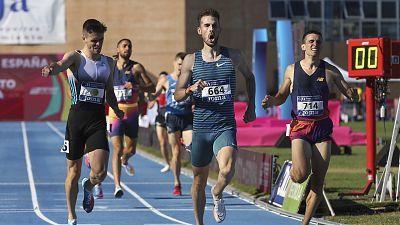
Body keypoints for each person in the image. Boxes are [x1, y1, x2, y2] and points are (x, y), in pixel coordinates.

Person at [262, 30, 358, 225]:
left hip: (322, 128)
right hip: (300, 127)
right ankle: (291, 172)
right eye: (311, 41)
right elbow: (281, 95)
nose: (315, 44)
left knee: (318, 181)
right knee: (301, 175)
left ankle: (305, 223)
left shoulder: (330, 71)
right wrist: (272, 101)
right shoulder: (292, 69)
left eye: (318, 42)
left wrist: (353, 95)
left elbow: (348, 90)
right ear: (303, 46)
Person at [174, 8, 256, 225]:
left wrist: (251, 106)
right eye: (207, 26)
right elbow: (178, 94)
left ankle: (218, 192)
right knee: (199, 180)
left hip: (224, 125)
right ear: (199, 31)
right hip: (201, 128)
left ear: (219, 29)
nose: (211, 29)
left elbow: (250, 78)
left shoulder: (234, 56)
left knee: (227, 168)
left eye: (214, 25)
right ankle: (199, 222)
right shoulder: (191, 60)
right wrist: (191, 89)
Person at [41, 19, 124, 225]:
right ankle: (71, 216)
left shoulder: (109, 63)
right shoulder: (75, 58)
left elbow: (109, 92)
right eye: (94, 40)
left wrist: (116, 110)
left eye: (101, 40)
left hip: (97, 120)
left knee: (101, 172)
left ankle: (89, 186)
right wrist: (50, 69)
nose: (98, 44)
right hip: (76, 121)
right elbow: (59, 65)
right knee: (74, 171)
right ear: (84, 38)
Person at [108, 38, 154, 198]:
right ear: (118, 48)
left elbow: (152, 86)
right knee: (117, 148)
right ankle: (117, 186)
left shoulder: (136, 67)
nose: (127, 48)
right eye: (124, 46)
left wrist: (136, 87)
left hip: (132, 112)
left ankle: (124, 160)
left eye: (130, 46)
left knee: (132, 149)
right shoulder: (110, 66)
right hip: (115, 112)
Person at [149, 52, 192, 196]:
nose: (181, 67)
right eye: (179, 64)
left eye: (184, 64)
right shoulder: (166, 80)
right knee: (176, 152)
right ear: (174, 63)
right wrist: (148, 94)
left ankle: (196, 177)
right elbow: (154, 94)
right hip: (172, 117)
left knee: (191, 146)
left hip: (187, 117)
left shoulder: (190, 79)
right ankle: (177, 183)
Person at [147, 71, 170, 173]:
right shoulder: (158, 91)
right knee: (162, 142)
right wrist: (154, 97)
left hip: (170, 117)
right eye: (161, 78)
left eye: (164, 78)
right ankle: (167, 163)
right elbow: (150, 106)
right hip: (160, 117)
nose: (162, 80)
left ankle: (174, 160)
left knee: (171, 142)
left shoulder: (170, 90)